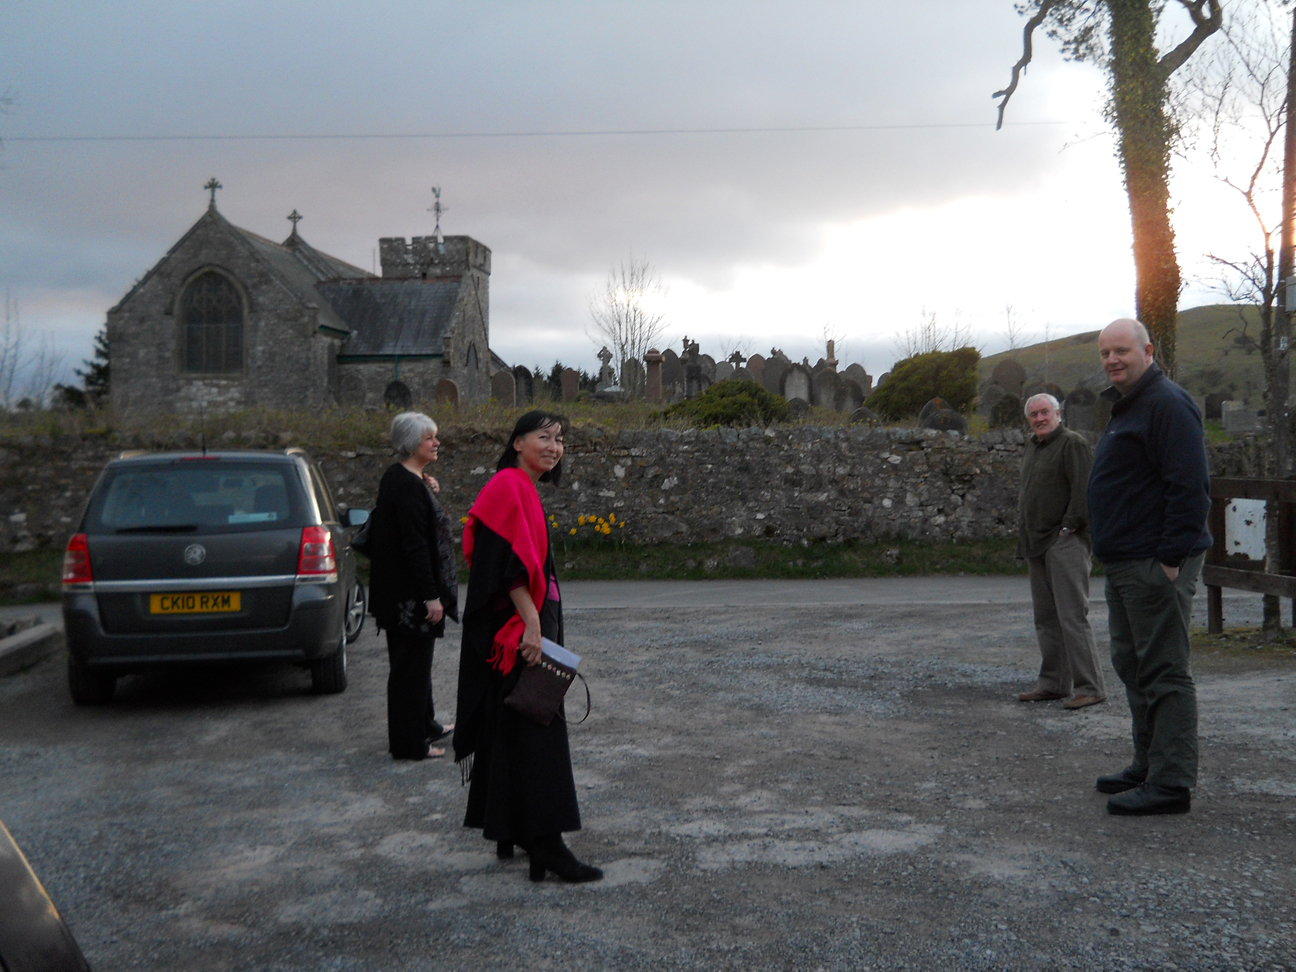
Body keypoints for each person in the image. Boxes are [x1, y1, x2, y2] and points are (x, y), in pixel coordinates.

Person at [452, 409, 602, 883]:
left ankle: (513, 830)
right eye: (544, 437)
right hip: (520, 633)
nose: (554, 447)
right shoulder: (508, 487)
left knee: (516, 728)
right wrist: (533, 627)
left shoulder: (520, 487)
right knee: (541, 729)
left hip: (523, 628)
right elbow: (508, 567)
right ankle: (549, 846)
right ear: (517, 442)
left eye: (559, 440)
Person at [1089, 319, 1211, 816]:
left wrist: (1169, 561)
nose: (1112, 360)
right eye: (1105, 353)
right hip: (1124, 561)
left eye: (1121, 350)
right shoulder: (1130, 406)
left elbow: (1189, 487)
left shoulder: (1167, 403)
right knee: (1132, 665)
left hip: (1152, 563)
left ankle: (1171, 783)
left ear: (1148, 351)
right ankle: (1147, 764)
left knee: (1163, 670)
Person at [367, 411, 459, 761]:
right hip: (409, 597)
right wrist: (431, 597)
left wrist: (427, 485)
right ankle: (408, 744)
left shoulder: (403, 478)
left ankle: (427, 724)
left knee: (416, 664)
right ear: (411, 444)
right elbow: (415, 546)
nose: (436, 442)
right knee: (409, 670)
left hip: (400, 593)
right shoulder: (406, 486)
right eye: (429, 438)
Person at [1015, 392, 1106, 710]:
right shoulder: (1033, 446)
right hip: (1036, 542)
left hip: (1064, 541)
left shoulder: (1073, 443)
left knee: (1072, 617)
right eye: (1033, 415)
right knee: (1046, 619)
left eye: (1044, 412)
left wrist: (1069, 526)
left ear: (1058, 414)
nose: (1039, 419)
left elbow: (1084, 488)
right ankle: (1053, 684)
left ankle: (1091, 686)